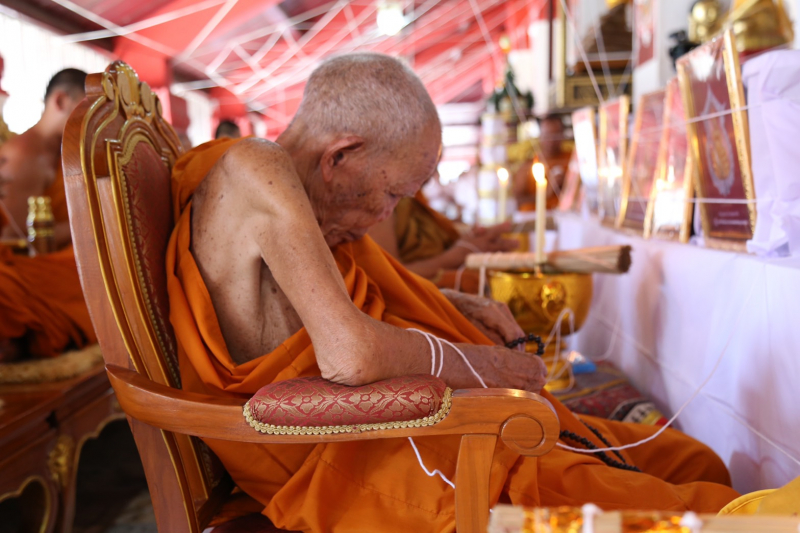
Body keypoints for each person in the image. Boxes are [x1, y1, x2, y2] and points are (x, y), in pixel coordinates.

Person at [166, 53, 738, 532]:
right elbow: (350, 355)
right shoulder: (253, 167)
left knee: (688, 459)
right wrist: (480, 365)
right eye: (391, 195)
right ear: (340, 155)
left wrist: (456, 305)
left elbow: (320, 306)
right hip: (349, 451)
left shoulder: (295, 190)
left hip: (388, 421)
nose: (384, 218)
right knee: (693, 513)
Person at [0, 68, 96, 361]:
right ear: (60, 101)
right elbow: (17, 238)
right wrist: (90, 227)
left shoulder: (63, 153)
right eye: (84, 109)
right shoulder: (26, 151)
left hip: (63, 257)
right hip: (37, 265)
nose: (90, 122)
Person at [368, 189, 517, 292]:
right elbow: (386, 278)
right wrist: (459, 254)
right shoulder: (379, 198)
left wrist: (470, 240)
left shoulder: (413, 197)